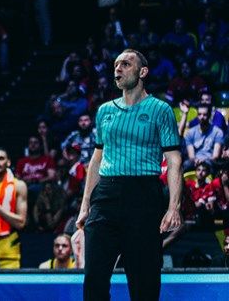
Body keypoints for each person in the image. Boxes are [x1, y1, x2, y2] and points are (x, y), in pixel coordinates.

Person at [76, 49, 182, 301]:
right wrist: (85, 205)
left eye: (126, 64)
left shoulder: (161, 110)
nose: (118, 69)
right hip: (106, 197)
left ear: (142, 72)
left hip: (144, 197)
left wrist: (173, 207)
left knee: (144, 283)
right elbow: (97, 158)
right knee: (93, 278)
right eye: (116, 65)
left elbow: (174, 159)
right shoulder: (104, 111)